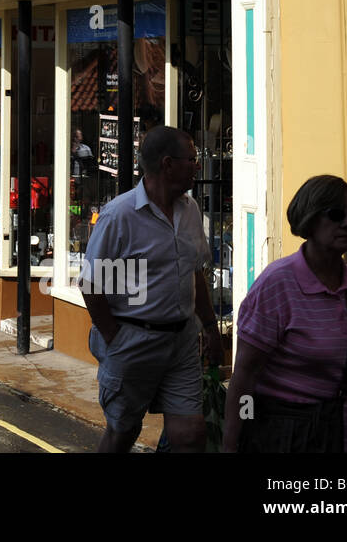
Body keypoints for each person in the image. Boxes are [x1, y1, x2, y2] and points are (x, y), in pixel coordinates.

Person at [81, 126, 222, 453]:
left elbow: (194, 272)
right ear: (168, 164)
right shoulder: (120, 215)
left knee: (190, 435)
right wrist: (116, 338)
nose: (198, 166)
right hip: (133, 341)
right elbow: (91, 282)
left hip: (182, 341)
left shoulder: (190, 211)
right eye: (193, 159)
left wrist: (211, 328)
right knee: (123, 433)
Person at [222, 175, 347, 453]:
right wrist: (231, 446)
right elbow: (245, 375)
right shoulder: (278, 283)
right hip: (287, 438)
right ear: (309, 218)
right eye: (335, 214)